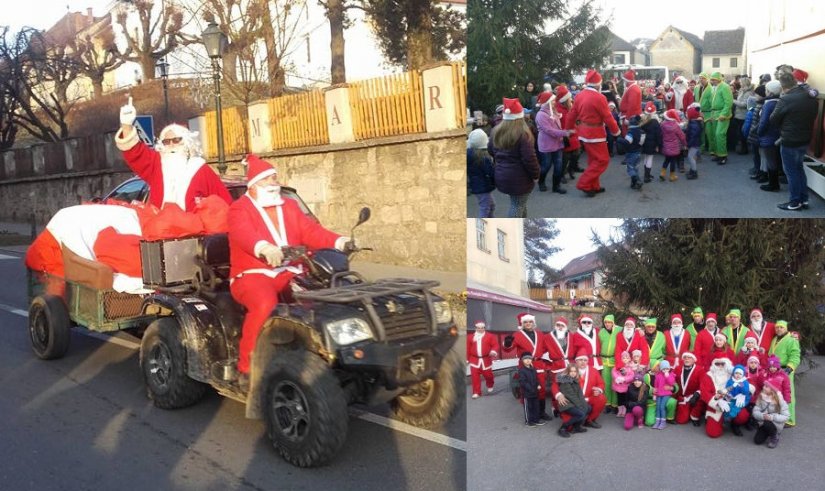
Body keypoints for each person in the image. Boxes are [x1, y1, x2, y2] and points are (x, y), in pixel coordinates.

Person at [228, 155, 350, 388]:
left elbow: (311, 232)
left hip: (291, 270)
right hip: (252, 274)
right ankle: (246, 367)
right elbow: (243, 234)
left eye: (275, 178)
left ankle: (322, 353)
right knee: (264, 304)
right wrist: (263, 248)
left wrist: (339, 242)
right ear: (254, 184)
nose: (275, 182)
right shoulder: (239, 209)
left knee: (322, 296)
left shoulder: (289, 206)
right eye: (269, 179)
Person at [116, 96, 232, 211]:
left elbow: (224, 205)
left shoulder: (200, 169)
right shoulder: (156, 165)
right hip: (162, 227)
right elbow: (135, 152)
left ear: (187, 142)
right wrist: (127, 125)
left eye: (176, 140)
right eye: (166, 141)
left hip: (194, 228)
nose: (171, 144)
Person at [564, 69, 620, 197]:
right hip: (596, 134)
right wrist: (616, 131)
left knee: (593, 160)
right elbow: (608, 117)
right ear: (598, 84)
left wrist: (569, 129)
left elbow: (572, 114)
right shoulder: (600, 97)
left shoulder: (579, 95)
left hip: (584, 132)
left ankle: (593, 186)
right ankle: (584, 183)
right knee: (602, 160)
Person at [770, 70, 820, 211]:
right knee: (799, 169)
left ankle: (794, 202)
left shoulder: (785, 99)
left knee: (791, 172)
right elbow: (814, 114)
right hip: (805, 139)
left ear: (782, 86)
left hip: (789, 140)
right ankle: (803, 199)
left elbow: (773, 119)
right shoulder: (809, 96)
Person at [488, 98, 540, 217]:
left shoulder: (496, 131)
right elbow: (529, 159)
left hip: (502, 175)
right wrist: (536, 175)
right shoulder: (523, 133)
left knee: (520, 204)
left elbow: (491, 150)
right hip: (519, 178)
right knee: (517, 205)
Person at [504, 313, 551, 421]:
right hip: (525, 365)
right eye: (525, 322)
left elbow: (544, 347)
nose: (528, 324)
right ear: (522, 323)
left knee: (541, 388)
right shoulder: (517, 334)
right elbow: (508, 349)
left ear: (533, 323)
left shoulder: (539, 334)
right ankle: (531, 413)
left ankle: (542, 412)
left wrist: (537, 355)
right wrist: (507, 343)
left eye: (530, 322)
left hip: (538, 364)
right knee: (528, 389)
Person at [700, 357, 750, 438]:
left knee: (743, 415)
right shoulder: (708, 375)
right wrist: (717, 402)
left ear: (726, 364)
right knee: (713, 433)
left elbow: (747, 384)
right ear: (713, 365)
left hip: (732, 401)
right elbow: (705, 393)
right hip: (716, 404)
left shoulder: (733, 374)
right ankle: (715, 419)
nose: (720, 366)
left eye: (722, 364)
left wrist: (743, 395)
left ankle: (734, 424)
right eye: (717, 364)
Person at [535, 92, 572, 194]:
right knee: (546, 166)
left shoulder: (553, 111)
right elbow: (549, 130)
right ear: (547, 102)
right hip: (547, 144)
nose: (554, 102)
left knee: (558, 166)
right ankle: (541, 181)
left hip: (557, 143)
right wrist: (565, 133)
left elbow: (557, 125)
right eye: (552, 101)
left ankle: (556, 186)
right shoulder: (541, 115)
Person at [768, 320, 800, 426]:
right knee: (777, 394)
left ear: (786, 328)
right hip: (774, 371)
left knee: (788, 394)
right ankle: (779, 415)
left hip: (785, 371)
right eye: (777, 327)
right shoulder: (775, 339)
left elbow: (795, 355)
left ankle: (789, 419)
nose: (779, 329)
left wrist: (790, 368)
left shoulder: (792, 340)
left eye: (781, 327)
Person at [757, 81, 783, 192]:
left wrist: (759, 132)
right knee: (775, 159)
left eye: (767, 90)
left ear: (770, 92)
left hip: (768, 136)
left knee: (771, 160)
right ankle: (773, 182)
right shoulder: (781, 102)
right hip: (778, 135)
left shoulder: (769, 104)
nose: (765, 92)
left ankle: (773, 184)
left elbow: (763, 122)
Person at [553, 364, 591, 438]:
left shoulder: (575, 380)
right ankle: (563, 428)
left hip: (572, 402)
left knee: (588, 408)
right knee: (581, 413)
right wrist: (580, 406)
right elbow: (571, 396)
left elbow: (580, 394)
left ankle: (576, 427)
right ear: (567, 372)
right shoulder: (565, 381)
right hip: (566, 403)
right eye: (571, 371)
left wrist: (584, 405)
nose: (573, 373)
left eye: (575, 371)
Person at [572, 351, 606, 428]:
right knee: (569, 427)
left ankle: (590, 420)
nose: (583, 362)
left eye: (585, 360)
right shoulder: (571, 370)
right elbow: (557, 384)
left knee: (601, 398)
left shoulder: (593, 370)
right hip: (574, 399)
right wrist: (559, 395)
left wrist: (599, 389)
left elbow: (601, 383)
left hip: (589, 397)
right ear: (576, 361)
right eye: (580, 360)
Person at [752, 379, 790, 448]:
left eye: (766, 386)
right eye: (764, 386)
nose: (763, 387)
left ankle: (774, 436)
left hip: (775, 423)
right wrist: (762, 416)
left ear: (772, 390)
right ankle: (767, 432)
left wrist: (772, 417)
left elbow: (786, 416)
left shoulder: (780, 401)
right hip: (763, 422)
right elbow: (755, 411)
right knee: (757, 441)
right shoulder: (761, 397)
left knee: (767, 423)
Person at [555, 85, 582, 180]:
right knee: (565, 158)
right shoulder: (558, 110)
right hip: (565, 136)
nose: (571, 99)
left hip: (574, 134)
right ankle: (562, 174)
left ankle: (571, 169)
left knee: (577, 154)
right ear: (565, 100)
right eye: (569, 98)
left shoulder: (570, 107)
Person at [467, 320, 499, 399]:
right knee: (475, 377)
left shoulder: (490, 336)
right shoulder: (470, 337)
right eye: (478, 328)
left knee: (488, 376)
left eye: (482, 328)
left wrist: (493, 351)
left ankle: (490, 384)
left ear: (484, 328)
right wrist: (467, 359)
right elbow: (467, 348)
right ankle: (476, 392)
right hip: (474, 360)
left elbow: (495, 345)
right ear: (476, 328)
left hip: (486, 359)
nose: (480, 329)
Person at [467, 129, 495, 217]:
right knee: (485, 207)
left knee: (491, 205)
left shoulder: (469, 154)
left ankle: (491, 219)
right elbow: (491, 172)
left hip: (477, 186)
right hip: (483, 187)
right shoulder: (483, 158)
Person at [708, 72, 733, 165]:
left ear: (718, 79)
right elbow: (713, 102)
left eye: (713, 79)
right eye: (711, 79)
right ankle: (718, 154)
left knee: (720, 134)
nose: (712, 81)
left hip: (722, 114)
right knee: (715, 134)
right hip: (714, 113)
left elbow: (728, 102)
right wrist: (711, 114)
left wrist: (724, 114)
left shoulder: (725, 87)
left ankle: (723, 156)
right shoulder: (716, 87)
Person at [674, 352, 703, 425]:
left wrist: (696, 395)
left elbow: (702, 385)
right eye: (685, 357)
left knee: (701, 398)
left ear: (694, 360)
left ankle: (695, 416)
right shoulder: (677, 368)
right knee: (681, 420)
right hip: (681, 397)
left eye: (689, 358)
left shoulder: (700, 370)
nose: (687, 359)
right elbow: (672, 381)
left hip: (694, 397)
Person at [599, 314, 620, 413]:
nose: (607, 324)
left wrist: (639, 330)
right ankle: (607, 404)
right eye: (606, 322)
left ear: (613, 322)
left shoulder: (619, 330)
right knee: (606, 383)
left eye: (609, 322)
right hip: (604, 361)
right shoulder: (601, 332)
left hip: (615, 360)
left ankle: (615, 405)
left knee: (615, 383)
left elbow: (630, 328)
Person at [659, 109, 687, 182]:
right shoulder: (676, 126)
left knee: (666, 160)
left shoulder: (662, 124)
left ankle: (662, 173)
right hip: (674, 147)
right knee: (673, 161)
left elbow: (660, 134)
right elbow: (682, 136)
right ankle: (672, 176)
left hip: (666, 145)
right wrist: (685, 144)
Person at [518, 352, 544, 427]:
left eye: (529, 358)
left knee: (536, 407)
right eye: (525, 359)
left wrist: (538, 384)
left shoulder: (533, 369)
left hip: (535, 392)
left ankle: (536, 420)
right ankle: (528, 421)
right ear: (522, 360)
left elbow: (536, 379)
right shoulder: (522, 370)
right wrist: (530, 388)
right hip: (527, 393)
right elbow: (523, 382)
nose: (528, 360)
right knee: (528, 408)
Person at [640, 102, 662, 183]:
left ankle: (646, 174)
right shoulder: (655, 122)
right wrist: (658, 144)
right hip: (652, 143)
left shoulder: (643, 120)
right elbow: (658, 134)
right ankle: (647, 176)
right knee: (650, 158)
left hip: (644, 142)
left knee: (646, 157)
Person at [732, 76, 755, 155]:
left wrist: (733, 101)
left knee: (743, 133)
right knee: (740, 133)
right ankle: (743, 148)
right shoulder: (742, 91)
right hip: (739, 114)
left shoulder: (748, 93)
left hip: (743, 115)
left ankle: (744, 149)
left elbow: (744, 104)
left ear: (744, 83)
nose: (740, 83)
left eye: (741, 82)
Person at [621, 115, 644, 190]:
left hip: (631, 152)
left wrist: (619, 140)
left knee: (630, 168)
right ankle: (633, 184)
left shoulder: (630, 132)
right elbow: (641, 142)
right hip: (638, 152)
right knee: (635, 168)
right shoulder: (641, 131)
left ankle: (637, 180)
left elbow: (627, 142)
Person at [652, 360, 676, 429]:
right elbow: (656, 386)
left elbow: (671, 383)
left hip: (666, 394)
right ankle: (657, 421)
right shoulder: (658, 375)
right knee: (658, 407)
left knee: (662, 407)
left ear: (669, 368)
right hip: (659, 394)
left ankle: (663, 422)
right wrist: (654, 394)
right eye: (664, 369)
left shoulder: (671, 374)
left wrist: (667, 376)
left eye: (667, 368)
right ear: (661, 369)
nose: (665, 370)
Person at [696, 73, 713, 154]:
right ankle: (702, 148)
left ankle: (711, 149)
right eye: (700, 78)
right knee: (701, 132)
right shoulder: (697, 88)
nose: (701, 80)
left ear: (707, 79)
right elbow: (695, 100)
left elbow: (712, 102)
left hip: (708, 113)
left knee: (709, 132)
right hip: (699, 113)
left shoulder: (711, 89)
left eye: (703, 78)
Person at [685, 105, 703, 179]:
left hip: (694, 143)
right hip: (695, 143)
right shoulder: (694, 122)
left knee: (690, 157)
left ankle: (694, 172)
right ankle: (692, 170)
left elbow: (693, 136)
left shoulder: (694, 124)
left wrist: (688, 144)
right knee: (691, 156)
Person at [612, 351, 633, 417]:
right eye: (624, 358)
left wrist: (625, 379)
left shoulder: (630, 367)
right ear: (621, 359)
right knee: (619, 399)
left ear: (629, 359)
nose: (625, 360)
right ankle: (619, 411)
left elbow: (631, 376)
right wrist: (618, 378)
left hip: (626, 386)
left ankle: (624, 411)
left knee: (625, 399)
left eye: (626, 358)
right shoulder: (618, 366)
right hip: (619, 386)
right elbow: (614, 372)